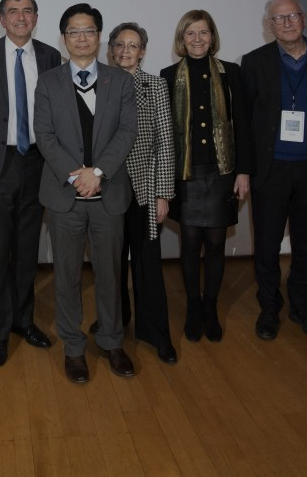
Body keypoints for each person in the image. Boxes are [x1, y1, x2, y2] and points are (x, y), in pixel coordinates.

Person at [37, 4, 138, 384]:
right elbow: (44, 136)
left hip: (108, 193)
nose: (82, 37)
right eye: (74, 31)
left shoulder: (121, 81)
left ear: (99, 37)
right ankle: (74, 347)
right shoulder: (48, 82)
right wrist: (76, 176)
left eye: (89, 30)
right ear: (63, 38)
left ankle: (112, 341)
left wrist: (97, 173)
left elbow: (126, 132)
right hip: (65, 198)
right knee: (66, 276)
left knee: (111, 273)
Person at [239, 0, 307, 342]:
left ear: (304, 18)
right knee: (266, 244)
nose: (287, 23)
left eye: (293, 16)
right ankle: (269, 309)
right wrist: (244, 170)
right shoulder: (253, 62)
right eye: (279, 19)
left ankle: (303, 308)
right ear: (269, 25)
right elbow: (245, 123)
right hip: (272, 169)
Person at [0, 0, 61, 366]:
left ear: (36, 18)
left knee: (27, 250)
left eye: (27, 11)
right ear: (1, 18)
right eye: (13, 11)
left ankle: (24, 320)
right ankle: (0, 330)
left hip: (37, 164)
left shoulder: (50, 56)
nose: (20, 17)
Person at [160, 9, 251, 343]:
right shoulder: (167, 75)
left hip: (221, 172)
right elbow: (164, 132)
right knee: (189, 242)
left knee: (215, 243)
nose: (197, 39)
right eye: (190, 34)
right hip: (184, 172)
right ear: (181, 39)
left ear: (212, 37)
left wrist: (244, 171)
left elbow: (242, 125)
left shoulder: (231, 73)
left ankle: (211, 307)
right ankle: (193, 307)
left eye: (203, 33)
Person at [107, 22, 178, 365]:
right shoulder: (99, 82)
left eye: (133, 45)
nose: (125, 51)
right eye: (119, 44)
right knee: (111, 262)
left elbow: (166, 141)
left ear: (143, 51)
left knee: (147, 264)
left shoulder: (155, 85)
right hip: (106, 187)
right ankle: (114, 323)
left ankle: (155, 333)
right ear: (111, 49)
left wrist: (163, 193)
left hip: (145, 188)